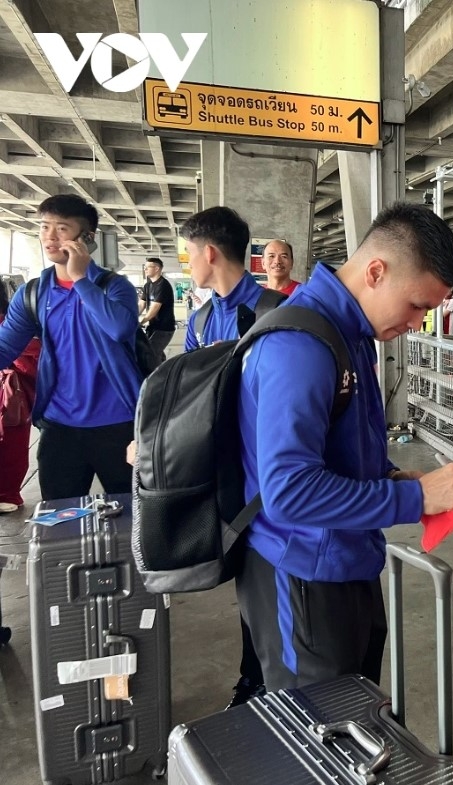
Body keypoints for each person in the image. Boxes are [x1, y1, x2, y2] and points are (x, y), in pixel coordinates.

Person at [235, 203, 453, 690]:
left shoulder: (352, 336)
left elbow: (344, 447)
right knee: (315, 737)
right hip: (301, 571)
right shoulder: (299, 346)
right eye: (417, 307)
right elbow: (289, 493)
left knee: (355, 724)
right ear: (375, 272)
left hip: (347, 556)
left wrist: (391, 476)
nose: (417, 324)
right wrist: (416, 499)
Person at [182, 206, 278, 709]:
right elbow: (190, 398)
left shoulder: (274, 312)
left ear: (210, 252)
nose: (186, 264)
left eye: (189, 253)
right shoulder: (199, 318)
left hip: (269, 473)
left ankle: (269, 680)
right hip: (226, 470)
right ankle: (253, 677)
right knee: (244, 577)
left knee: (270, 578)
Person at [0, 194, 142, 500]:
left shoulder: (114, 287)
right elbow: (4, 348)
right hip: (59, 427)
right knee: (59, 521)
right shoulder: (34, 294)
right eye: (44, 226)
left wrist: (80, 278)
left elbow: (119, 329)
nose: (49, 236)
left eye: (61, 228)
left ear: (87, 238)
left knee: (134, 518)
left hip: (120, 426)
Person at [184, 206, 272, 351]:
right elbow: (186, 372)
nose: (189, 263)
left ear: (209, 253)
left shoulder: (277, 314)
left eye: (190, 254)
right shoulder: (198, 321)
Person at [0, 282, 40, 514]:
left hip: (12, 395)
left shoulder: (14, 323)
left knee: (11, 441)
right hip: (15, 393)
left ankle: (7, 492)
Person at [138, 257, 176, 365]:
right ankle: (165, 374)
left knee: (151, 355)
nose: (145, 269)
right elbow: (141, 304)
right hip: (153, 327)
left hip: (164, 328)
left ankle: (158, 379)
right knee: (156, 354)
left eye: (147, 267)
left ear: (157, 268)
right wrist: (132, 317)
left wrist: (141, 322)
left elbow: (154, 308)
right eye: (144, 267)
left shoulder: (163, 285)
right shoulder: (148, 285)